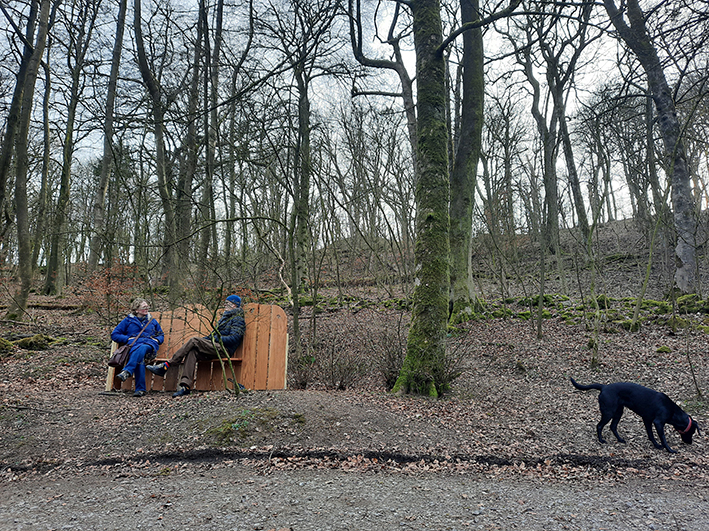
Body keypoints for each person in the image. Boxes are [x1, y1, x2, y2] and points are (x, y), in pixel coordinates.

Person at [147, 294, 246, 397]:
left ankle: (167, 365)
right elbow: (211, 336)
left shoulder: (238, 319)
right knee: (192, 351)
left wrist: (215, 339)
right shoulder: (224, 318)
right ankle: (186, 387)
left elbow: (234, 338)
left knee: (194, 340)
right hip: (215, 347)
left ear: (234, 305)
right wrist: (205, 340)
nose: (224, 305)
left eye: (227, 303)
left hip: (224, 349)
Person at [111, 298, 164, 397]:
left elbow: (161, 335)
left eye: (147, 306)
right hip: (134, 347)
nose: (147, 309)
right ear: (136, 310)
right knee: (139, 360)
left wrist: (157, 340)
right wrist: (127, 339)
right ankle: (140, 390)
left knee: (142, 348)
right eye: (144, 307)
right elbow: (115, 334)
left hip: (149, 347)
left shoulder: (152, 321)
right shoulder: (128, 321)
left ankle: (127, 371)